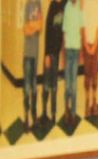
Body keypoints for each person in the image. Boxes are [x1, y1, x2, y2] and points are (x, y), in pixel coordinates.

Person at [42, 0, 65, 124]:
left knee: (54, 87)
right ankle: (44, 112)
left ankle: (53, 114)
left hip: (56, 53)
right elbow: (47, 30)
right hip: (49, 53)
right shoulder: (52, 5)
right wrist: (46, 55)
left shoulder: (65, 4)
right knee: (46, 85)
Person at [22, 0, 43, 130]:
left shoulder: (39, 4)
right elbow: (25, 30)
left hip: (35, 54)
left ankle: (34, 116)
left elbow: (39, 27)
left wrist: (33, 25)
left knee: (34, 86)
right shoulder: (27, 5)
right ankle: (26, 118)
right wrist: (33, 25)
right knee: (27, 86)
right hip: (27, 53)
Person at [80, 0, 98, 118]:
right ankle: (87, 101)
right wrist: (84, 43)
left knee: (94, 72)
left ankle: (94, 101)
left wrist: (94, 45)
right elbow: (82, 26)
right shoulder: (83, 3)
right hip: (86, 44)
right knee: (87, 72)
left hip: (95, 44)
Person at [61, 0, 82, 124]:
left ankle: (73, 113)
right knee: (67, 84)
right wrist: (63, 53)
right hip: (68, 50)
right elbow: (64, 31)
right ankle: (66, 109)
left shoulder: (79, 6)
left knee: (73, 85)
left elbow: (81, 28)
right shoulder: (67, 7)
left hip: (76, 50)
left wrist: (82, 53)